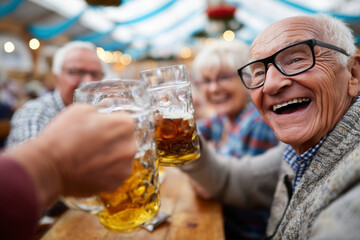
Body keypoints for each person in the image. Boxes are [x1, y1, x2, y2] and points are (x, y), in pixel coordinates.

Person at [181, 13, 360, 239]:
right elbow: (229, 180)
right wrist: (175, 132)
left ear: (353, 73)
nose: (271, 85)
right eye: (259, 72)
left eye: (296, 60)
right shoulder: (296, 152)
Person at [0, 103, 137, 240]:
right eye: (75, 78)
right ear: (55, 80)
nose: (86, 81)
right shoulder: (34, 113)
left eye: (94, 78)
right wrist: (51, 163)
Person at [191, 39, 279, 240]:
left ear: (246, 78)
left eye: (223, 78)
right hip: (219, 222)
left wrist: (209, 160)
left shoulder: (257, 122)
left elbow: (212, 187)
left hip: (243, 233)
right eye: (206, 81)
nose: (213, 89)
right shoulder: (223, 118)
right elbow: (191, 137)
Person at [6, 41, 106, 148]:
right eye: (76, 72)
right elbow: (33, 162)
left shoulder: (103, 112)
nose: (88, 82)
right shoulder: (36, 113)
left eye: (95, 74)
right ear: (56, 78)